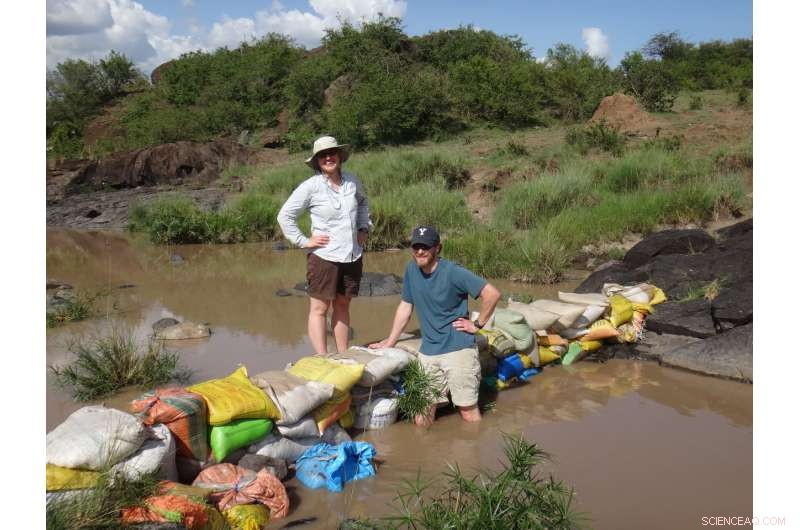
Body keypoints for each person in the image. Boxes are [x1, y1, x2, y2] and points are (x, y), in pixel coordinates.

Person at [370, 225, 501, 425]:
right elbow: (405, 307)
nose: (420, 251)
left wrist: (477, 324)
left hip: (458, 349)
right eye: (416, 247)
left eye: (425, 247)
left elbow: (492, 294)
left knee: (468, 413)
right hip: (428, 352)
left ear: (437, 248)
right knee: (421, 416)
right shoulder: (411, 270)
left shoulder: (453, 272)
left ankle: (472, 453)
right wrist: (389, 341)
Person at [277, 135, 371, 354]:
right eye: (322, 155)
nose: (328, 158)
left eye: (332, 153)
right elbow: (285, 216)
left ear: (339, 156)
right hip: (324, 257)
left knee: (343, 305)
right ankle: (322, 358)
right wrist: (303, 241)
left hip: (352, 256)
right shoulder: (311, 187)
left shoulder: (352, 181)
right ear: (317, 161)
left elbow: (364, 202)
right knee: (319, 309)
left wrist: (363, 227)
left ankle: (343, 353)